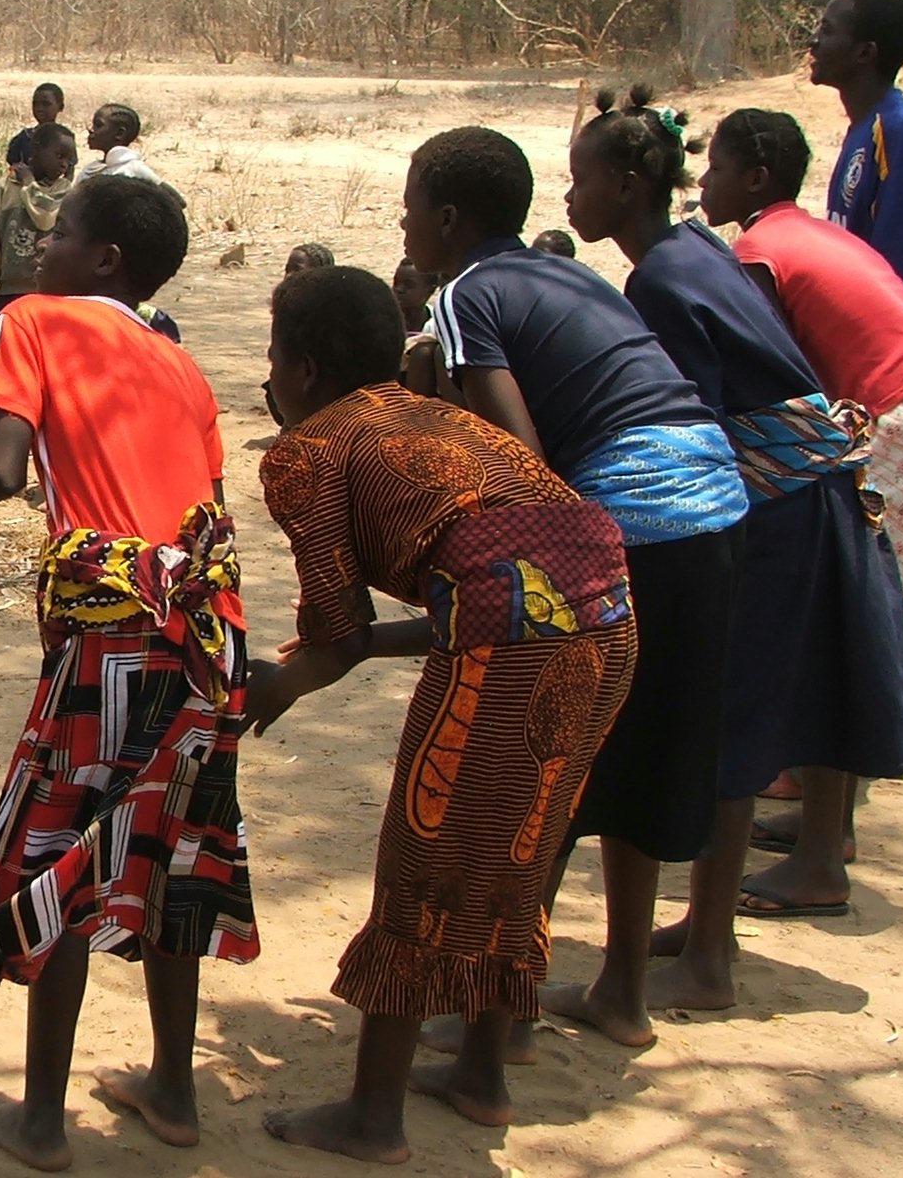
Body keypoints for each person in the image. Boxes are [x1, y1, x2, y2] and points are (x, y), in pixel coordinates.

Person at [247, 266, 636, 1163]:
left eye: (272, 357)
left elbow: (338, 633)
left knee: (424, 855)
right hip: (610, 616)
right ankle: (482, 1073)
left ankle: (373, 1115)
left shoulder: (308, 451)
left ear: (300, 368)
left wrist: (280, 687)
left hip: (513, 646)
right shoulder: (443, 416)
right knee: (519, 845)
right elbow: (497, 587)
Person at [566, 89, 903, 990]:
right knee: (739, 715)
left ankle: (712, 954)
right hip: (798, 498)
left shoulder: (661, 278)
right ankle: (703, 932)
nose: (569, 200)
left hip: (772, 510)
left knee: (727, 722)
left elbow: (684, 422)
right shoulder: (694, 251)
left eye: (579, 182)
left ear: (625, 183)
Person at [408, 125, 747, 1055]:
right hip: (715, 504)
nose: (403, 225)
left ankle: (498, 1018)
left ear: (444, 218)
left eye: (408, 206)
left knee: (546, 760)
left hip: (631, 519)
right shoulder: (573, 278)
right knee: (639, 763)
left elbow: (523, 465)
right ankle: (621, 993)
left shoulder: (465, 294)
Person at [0, 175, 258, 1169]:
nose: (41, 239)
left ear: (105, 259)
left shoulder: (35, 320)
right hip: (207, 642)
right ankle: (173, 1088)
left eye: (61, 228)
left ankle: (40, 1120)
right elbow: (205, 514)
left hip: (110, 632)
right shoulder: (181, 367)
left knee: (59, 853)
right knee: (170, 851)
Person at [699, 109, 903, 898]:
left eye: (718, 169)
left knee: (838, 625)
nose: (705, 184)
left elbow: (766, 377)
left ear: (755, 180)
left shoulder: (760, 252)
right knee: (844, 620)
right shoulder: (795, 233)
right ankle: (827, 826)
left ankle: (825, 854)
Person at [808, 0, 903, 331]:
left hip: (892, 355)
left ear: (865, 53)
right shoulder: (866, 126)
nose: (814, 40)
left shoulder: (898, 131)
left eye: (827, 30)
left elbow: (892, 272)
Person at [0, 123, 74, 322]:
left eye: (68, 160)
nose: (64, 165)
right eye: (59, 156)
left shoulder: (63, 189)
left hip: (45, 286)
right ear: (37, 149)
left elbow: (44, 218)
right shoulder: (5, 186)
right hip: (9, 286)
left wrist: (29, 184)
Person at [77, 104, 161, 185]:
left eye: (98, 125)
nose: (91, 130)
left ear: (120, 133)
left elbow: (167, 195)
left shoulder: (134, 170)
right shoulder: (90, 170)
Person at [6, 82, 66, 171]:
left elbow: (69, 171)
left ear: (60, 107)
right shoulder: (24, 137)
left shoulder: (64, 138)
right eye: (35, 104)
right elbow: (13, 163)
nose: (39, 108)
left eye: (46, 104)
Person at [391, 258, 433, 334]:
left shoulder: (437, 326)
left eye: (408, 285)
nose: (398, 289)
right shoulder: (382, 321)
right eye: (396, 283)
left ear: (430, 290)